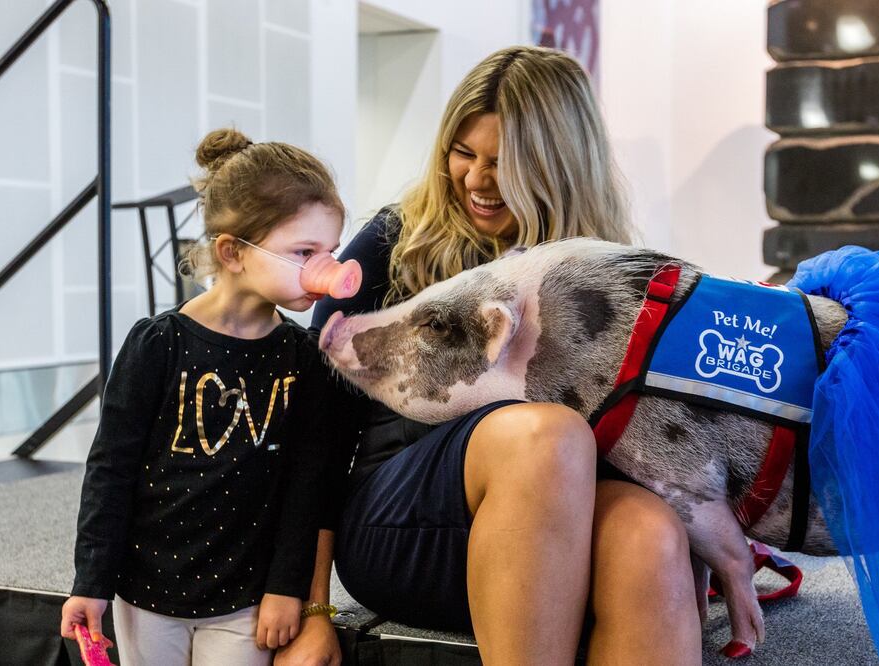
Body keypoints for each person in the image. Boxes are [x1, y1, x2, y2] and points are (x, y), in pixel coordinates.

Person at [278, 47, 702, 665]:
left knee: (652, 534)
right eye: (463, 153)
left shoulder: (606, 270)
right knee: (544, 435)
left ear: (557, 166)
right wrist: (313, 606)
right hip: (405, 526)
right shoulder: (392, 244)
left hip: (557, 516)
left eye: (502, 164)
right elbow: (314, 436)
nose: (476, 179)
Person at [62, 128, 349, 665]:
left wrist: (287, 589)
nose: (326, 269)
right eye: (304, 251)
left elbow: (308, 483)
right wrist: (91, 582)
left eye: (331, 249)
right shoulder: (157, 344)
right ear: (233, 252)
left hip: (247, 599)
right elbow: (110, 468)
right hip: (147, 592)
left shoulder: (304, 358)